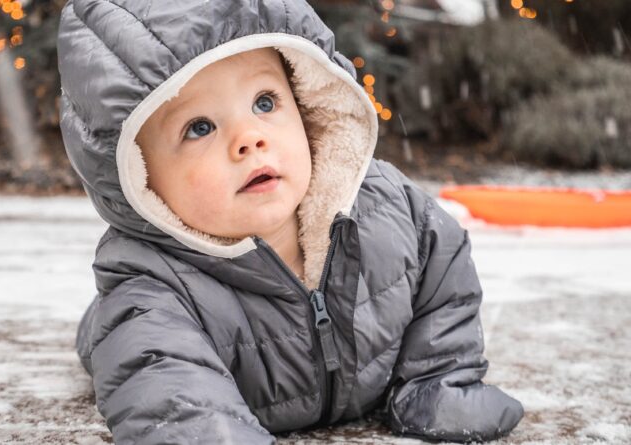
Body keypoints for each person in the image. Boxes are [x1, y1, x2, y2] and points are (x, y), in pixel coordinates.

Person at [59, 1, 524, 443]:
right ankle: (99, 327)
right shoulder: (152, 286)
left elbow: (442, 275)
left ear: (306, 105)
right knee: (123, 332)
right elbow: (171, 395)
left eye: (264, 102)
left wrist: (438, 378)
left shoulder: (391, 212)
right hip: (150, 322)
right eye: (199, 127)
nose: (250, 139)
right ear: (140, 178)